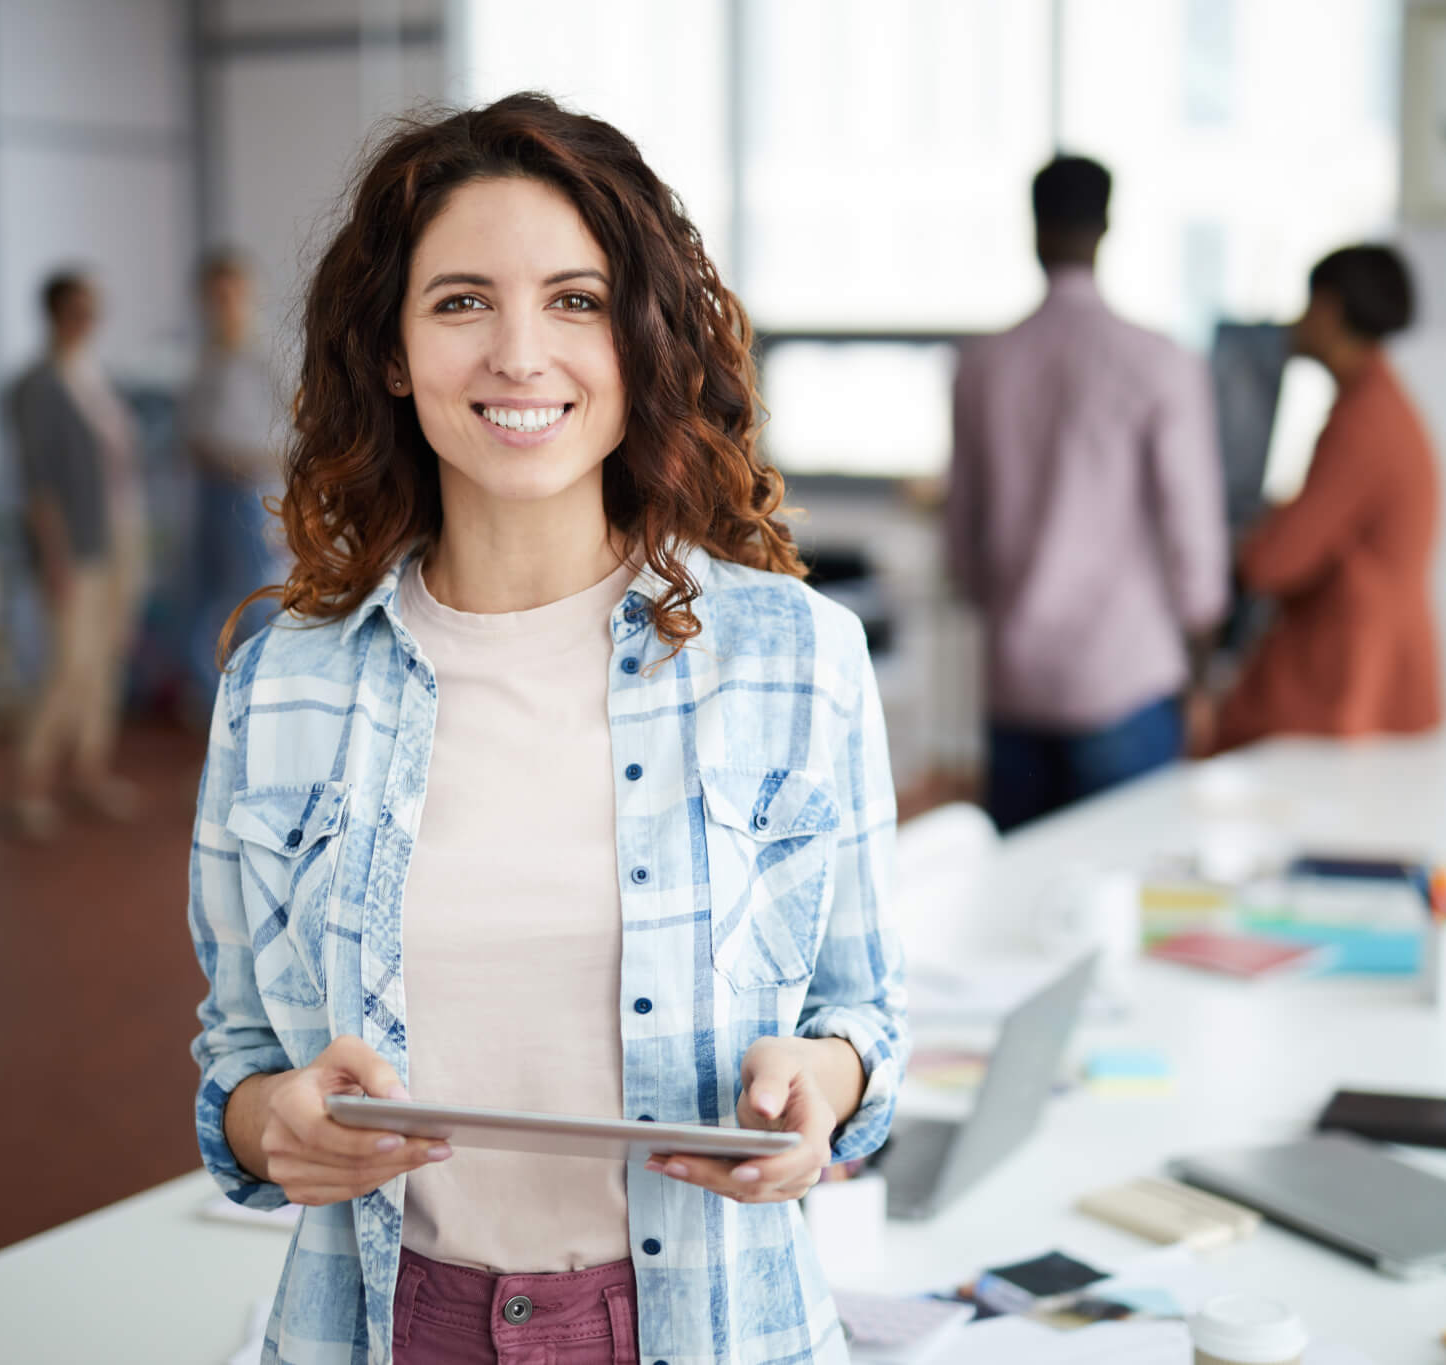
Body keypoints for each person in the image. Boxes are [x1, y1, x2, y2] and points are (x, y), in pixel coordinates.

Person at [187, 94, 906, 1365]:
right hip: (383, 1324)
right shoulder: (282, 686)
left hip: (712, 1327)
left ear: (638, 341)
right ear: (394, 353)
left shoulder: (796, 657)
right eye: (462, 301)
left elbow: (864, 1018)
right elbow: (241, 1058)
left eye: (574, 301)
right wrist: (266, 1128)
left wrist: (823, 1090)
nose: (520, 355)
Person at [943, 155, 1228, 831]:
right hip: (1125, 681)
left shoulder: (983, 365)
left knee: (1014, 917)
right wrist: (1202, 669)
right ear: (1106, 229)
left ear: (1034, 230)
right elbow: (1194, 541)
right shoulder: (1160, 361)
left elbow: (963, 543)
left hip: (1016, 681)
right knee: (1128, 903)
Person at [1202, 245, 1443, 754]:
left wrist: (1242, 537)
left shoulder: (1364, 423)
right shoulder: (1379, 403)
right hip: (1375, 663)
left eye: (1307, 304)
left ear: (1330, 310)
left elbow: (1274, 561)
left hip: (1347, 674)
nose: (1296, 321)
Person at [6, 269, 147, 839]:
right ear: (54, 314)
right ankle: (31, 786)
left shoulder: (96, 375)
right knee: (69, 666)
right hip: (76, 545)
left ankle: (90, 772)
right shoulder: (36, 386)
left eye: (93, 308)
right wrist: (54, 560)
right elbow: (38, 484)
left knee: (108, 660)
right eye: (76, 310)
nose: (87, 320)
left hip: (121, 536)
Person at [178, 248, 286, 710]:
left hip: (250, 490)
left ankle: (262, 700)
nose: (224, 304)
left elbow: (306, 429)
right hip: (208, 490)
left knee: (254, 598)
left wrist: (248, 464)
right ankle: (217, 703)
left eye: (233, 294)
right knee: (202, 604)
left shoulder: (271, 356)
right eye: (214, 296)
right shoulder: (205, 357)